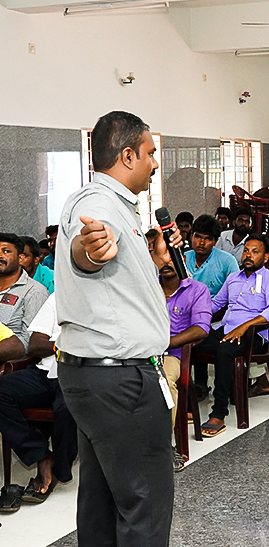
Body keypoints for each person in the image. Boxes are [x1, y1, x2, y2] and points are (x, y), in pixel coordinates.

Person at [54, 110, 180, 546]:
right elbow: (87, 248)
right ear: (127, 155)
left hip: (96, 374)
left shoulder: (113, 204)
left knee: (103, 501)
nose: (155, 163)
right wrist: (88, 250)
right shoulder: (98, 205)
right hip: (120, 378)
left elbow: (120, 287)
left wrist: (158, 262)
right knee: (144, 504)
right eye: (150, 153)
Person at [195, 234, 269, 437]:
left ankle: (218, 414)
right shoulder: (233, 278)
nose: (248, 255)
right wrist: (195, 316)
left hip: (255, 334)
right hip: (226, 328)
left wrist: (245, 326)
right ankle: (190, 402)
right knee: (193, 344)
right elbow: (217, 303)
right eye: (246, 251)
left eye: (255, 252)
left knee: (224, 350)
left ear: (266, 257)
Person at [0, 294, 76, 510]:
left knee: (67, 407)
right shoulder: (58, 297)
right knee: (3, 391)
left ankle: (59, 469)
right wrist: (63, 345)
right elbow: (35, 343)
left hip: (80, 371)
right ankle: (42, 455)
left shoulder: (105, 297)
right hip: (46, 369)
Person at [155, 233, 212, 469]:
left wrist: (165, 343)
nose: (167, 262)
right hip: (139, 353)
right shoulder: (147, 289)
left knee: (164, 381)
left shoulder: (197, 290)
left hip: (172, 355)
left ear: (183, 261)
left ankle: (163, 447)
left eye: (173, 257)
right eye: (161, 257)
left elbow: (201, 329)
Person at [0, 233, 49, 352]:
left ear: (20, 258)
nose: (0, 256)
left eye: (6, 251)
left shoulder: (34, 291)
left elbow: (28, 343)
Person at [184, 214, 239, 297]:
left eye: (207, 239)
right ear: (192, 236)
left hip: (215, 308)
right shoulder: (183, 258)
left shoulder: (227, 261)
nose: (202, 243)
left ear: (215, 241)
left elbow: (236, 291)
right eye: (198, 237)